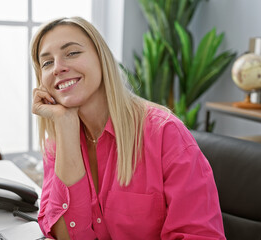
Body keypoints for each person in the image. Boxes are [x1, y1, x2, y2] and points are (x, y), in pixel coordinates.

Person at [31, 16, 225, 240]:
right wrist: (65, 127)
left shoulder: (165, 133)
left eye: (72, 53)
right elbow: (66, 236)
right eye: (47, 62)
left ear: (102, 59)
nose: (58, 68)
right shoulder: (57, 143)